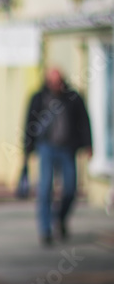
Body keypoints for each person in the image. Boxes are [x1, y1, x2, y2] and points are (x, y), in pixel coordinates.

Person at [23, 67, 92, 247]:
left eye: (58, 81)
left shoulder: (73, 98)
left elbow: (84, 121)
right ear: (47, 81)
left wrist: (88, 144)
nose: (56, 84)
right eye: (52, 81)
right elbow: (29, 121)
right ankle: (45, 230)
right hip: (46, 148)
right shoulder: (39, 98)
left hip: (67, 148)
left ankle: (59, 219)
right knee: (45, 189)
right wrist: (27, 147)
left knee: (70, 189)